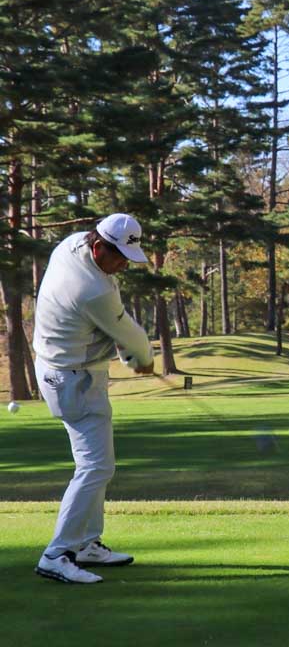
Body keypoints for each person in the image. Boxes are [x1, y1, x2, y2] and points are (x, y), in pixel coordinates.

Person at [32, 213, 155, 584]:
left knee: (96, 464)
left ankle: (86, 543)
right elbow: (131, 336)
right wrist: (143, 359)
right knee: (96, 467)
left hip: (64, 371)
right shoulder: (93, 289)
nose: (121, 266)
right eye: (118, 257)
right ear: (98, 246)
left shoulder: (71, 245)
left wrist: (128, 354)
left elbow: (110, 330)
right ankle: (58, 553)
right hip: (74, 381)